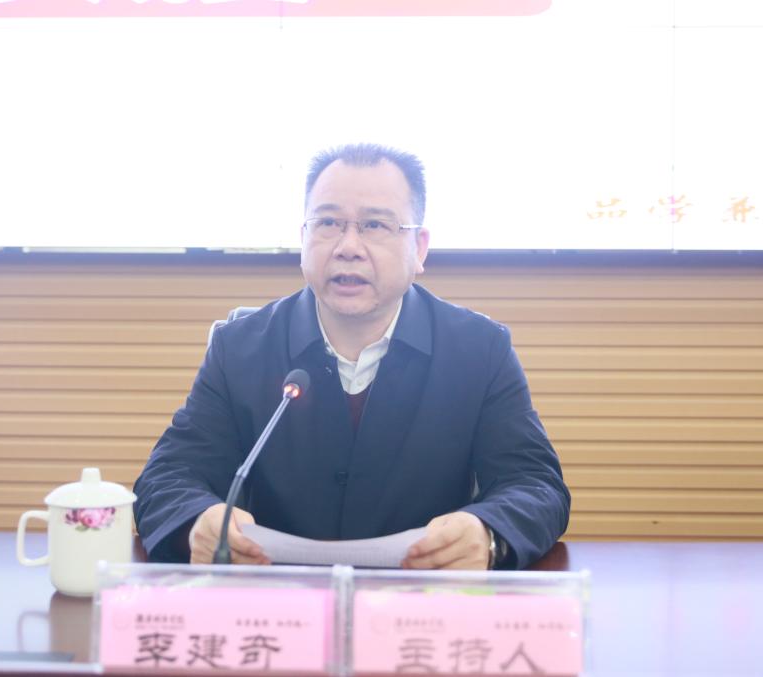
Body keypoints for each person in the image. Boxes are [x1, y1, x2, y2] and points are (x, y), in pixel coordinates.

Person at [134, 143, 570, 570]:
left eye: (375, 225)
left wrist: (488, 534)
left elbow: (536, 485)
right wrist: (197, 522)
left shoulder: (479, 350)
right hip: (279, 597)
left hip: (423, 598)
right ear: (304, 239)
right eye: (328, 223)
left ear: (419, 248)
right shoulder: (240, 347)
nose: (348, 246)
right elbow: (167, 477)